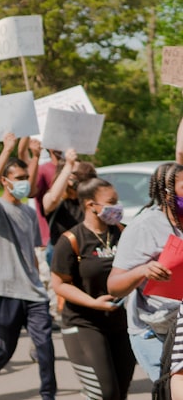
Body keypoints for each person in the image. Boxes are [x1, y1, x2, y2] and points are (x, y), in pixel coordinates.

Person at [0, 132, 55, 400]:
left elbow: (30, 251)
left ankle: (48, 395)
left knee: (45, 347)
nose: (24, 182)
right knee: (5, 350)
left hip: (33, 291)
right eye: (18, 178)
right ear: (6, 182)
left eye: (26, 178)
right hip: (6, 290)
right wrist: (6, 151)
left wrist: (36, 152)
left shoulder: (29, 212)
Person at [50, 177, 134, 400]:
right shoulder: (71, 240)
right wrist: (93, 303)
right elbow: (59, 284)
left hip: (121, 323)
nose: (117, 206)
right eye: (111, 201)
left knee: (120, 392)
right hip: (84, 323)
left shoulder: (122, 232)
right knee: (105, 394)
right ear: (90, 205)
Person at [108, 161, 183, 381]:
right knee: (171, 391)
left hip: (180, 326)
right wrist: (143, 270)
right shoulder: (143, 227)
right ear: (167, 192)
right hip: (154, 332)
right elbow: (114, 287)